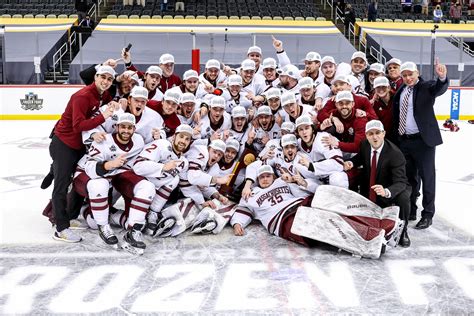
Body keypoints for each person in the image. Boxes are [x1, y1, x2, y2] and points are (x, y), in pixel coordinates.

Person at [46, 65, 116, 242]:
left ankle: (69, 216)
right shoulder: (82, 96)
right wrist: (104, 116)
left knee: (78, 181)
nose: (106, 82)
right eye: (103, 77)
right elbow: (78, 126)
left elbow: (106, 103)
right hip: (63, 144)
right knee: (61, 186)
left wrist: (114, 103)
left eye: (109, 79)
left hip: (80, 147)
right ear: (96, 77)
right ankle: (60, 227)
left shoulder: (103, 94)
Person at [392, 60, 448, 229]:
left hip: (424, 142)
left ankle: (428, 213)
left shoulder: (426, 87)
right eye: (405, 75)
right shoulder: (401, 90)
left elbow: (439, 88)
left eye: (411, 74)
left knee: (427, 177)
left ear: (417, 73)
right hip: (405, 141)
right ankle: (411, 209)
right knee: (410, 179)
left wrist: (442, 77)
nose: (408, 78)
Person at [344, 120, 411, 247]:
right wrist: (351, 163)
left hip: (390, 187)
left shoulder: (395, 154)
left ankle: (403, 231)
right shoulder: (365, 144)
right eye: (370, 134)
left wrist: (386, 191)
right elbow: (360, 157)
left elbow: (401, 181)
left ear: (383, 133)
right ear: (366, 135)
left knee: (404, 197)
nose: (374, 137)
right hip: (371, 184)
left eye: (377, 133)